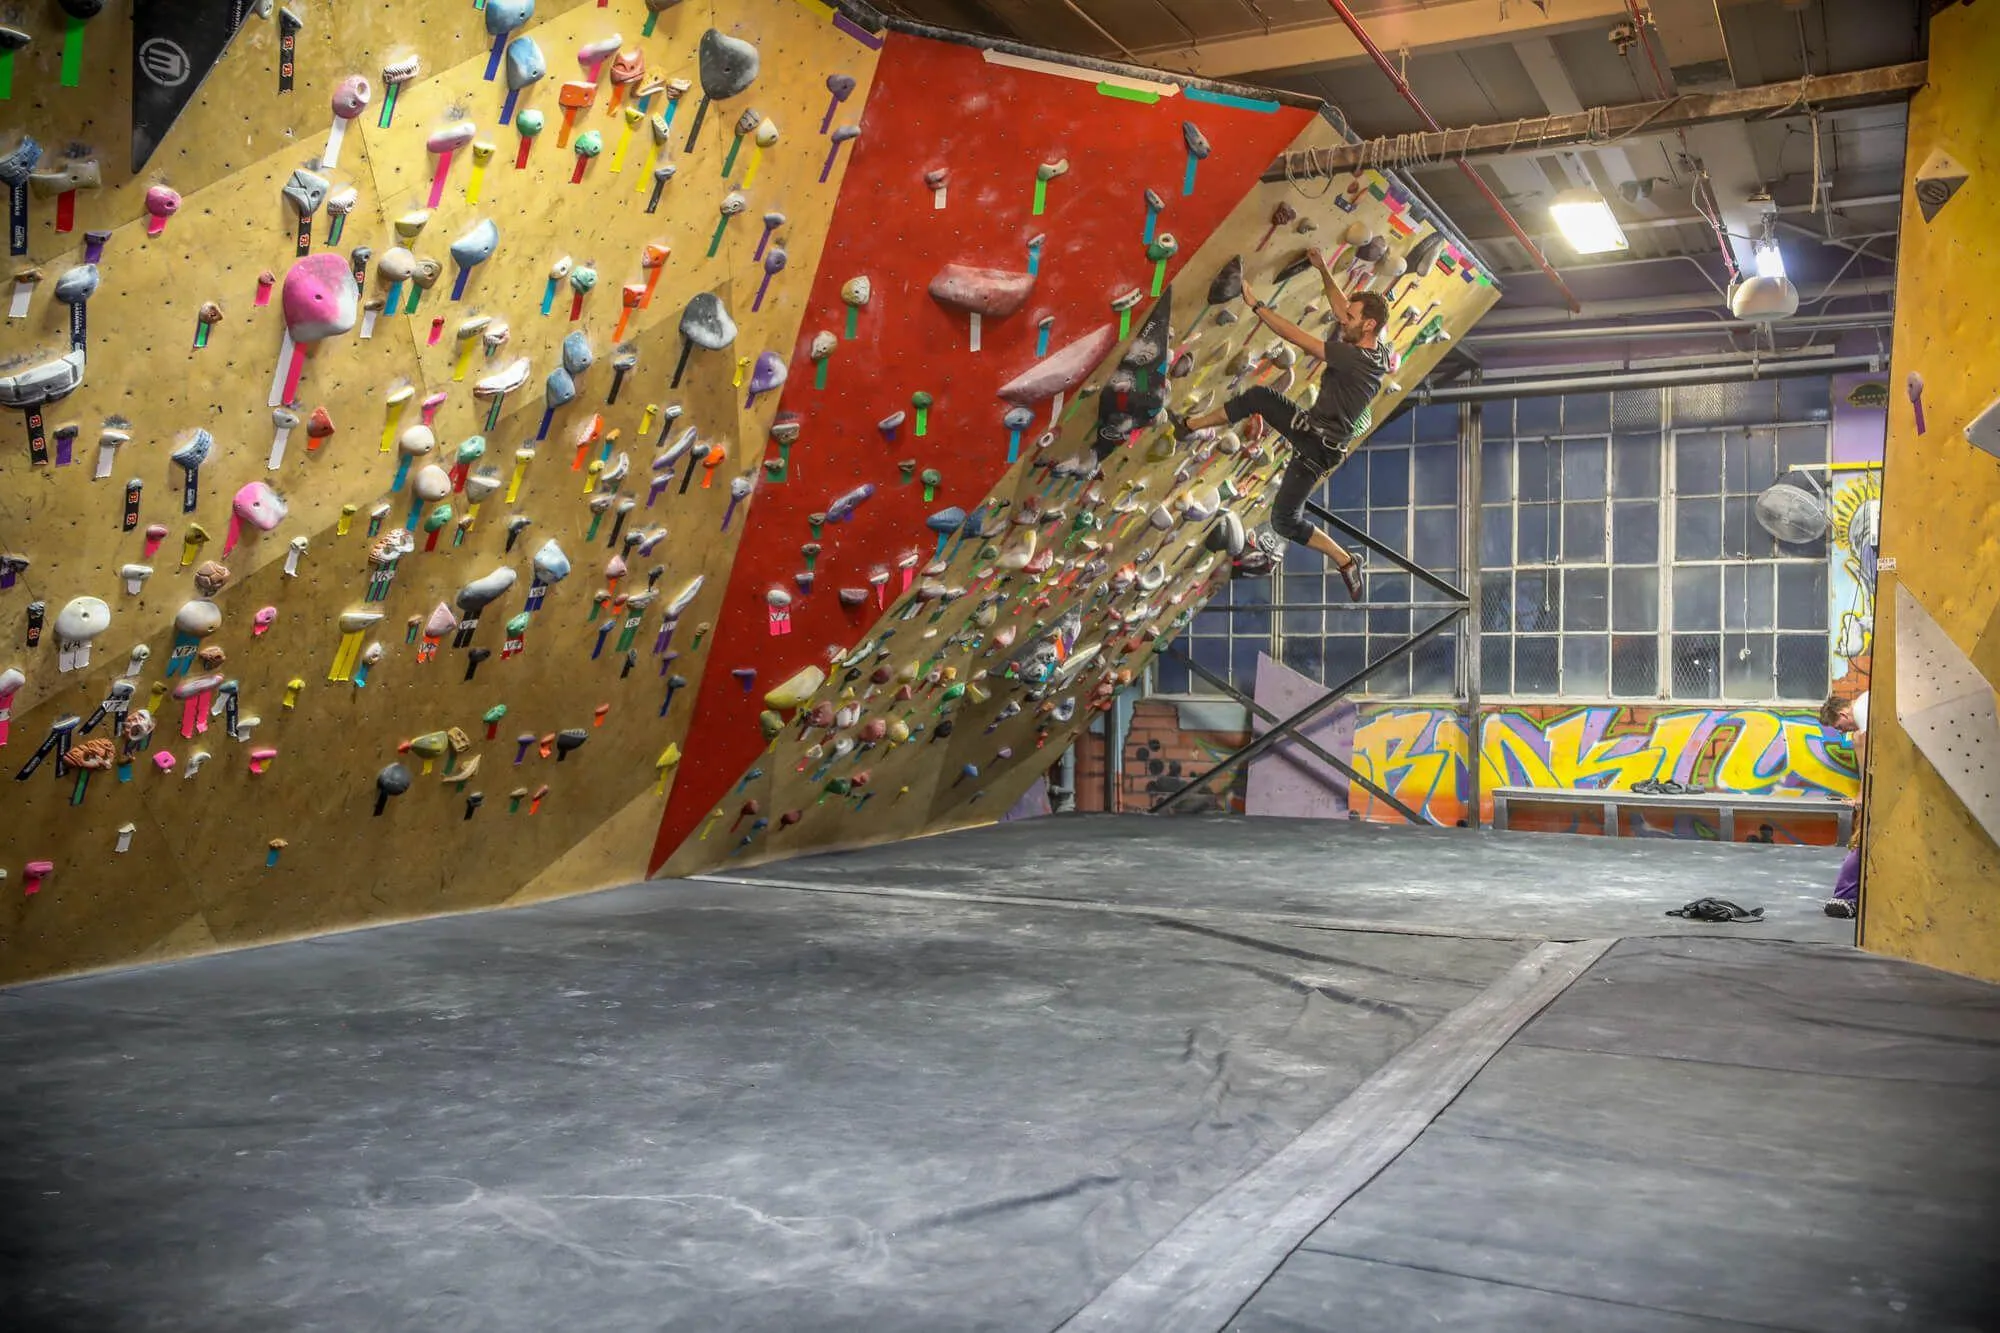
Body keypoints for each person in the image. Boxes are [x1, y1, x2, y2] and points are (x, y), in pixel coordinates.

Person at [1170, 247, 1389, 600]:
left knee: (1284, 521)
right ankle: (1189, 425)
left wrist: (1257, 306)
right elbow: (1341, 306)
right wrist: (1322, 269)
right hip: (1311, 428)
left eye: (1350, 317)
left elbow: (1296, 337)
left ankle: (1346, 560)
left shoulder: (1355, 358)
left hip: (1317, 450)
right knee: (1258, 397)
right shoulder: (1376, 348)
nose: (1342, 318)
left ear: (1368, 325)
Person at [1819, 689, 1869, 918]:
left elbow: (1865, 748)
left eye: (1839, 726)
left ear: (1843, 713)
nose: (1842, 732)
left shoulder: (1861, 710)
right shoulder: (1866, 703)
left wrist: (1861, 795)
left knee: (1862, 840)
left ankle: (1844, 896)